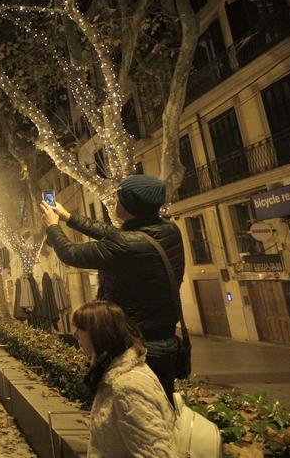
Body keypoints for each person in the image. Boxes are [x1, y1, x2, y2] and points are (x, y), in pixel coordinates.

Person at [41, 174, 183, 404]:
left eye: (118, 199)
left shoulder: (125, 245)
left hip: (133, 348)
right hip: (164, 343)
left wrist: (52, 228)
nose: (114, 203)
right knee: (161, 410)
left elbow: (71, 253)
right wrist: (69, 218)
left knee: (134, 414)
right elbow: (114, 235)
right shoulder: (168, 231)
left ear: (129, 205)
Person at [72, 301, 175, 457]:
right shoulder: (112, 376)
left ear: (99, 333)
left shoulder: (127, 387)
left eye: (80, 328)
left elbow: (157, 453)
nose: (75, 334)